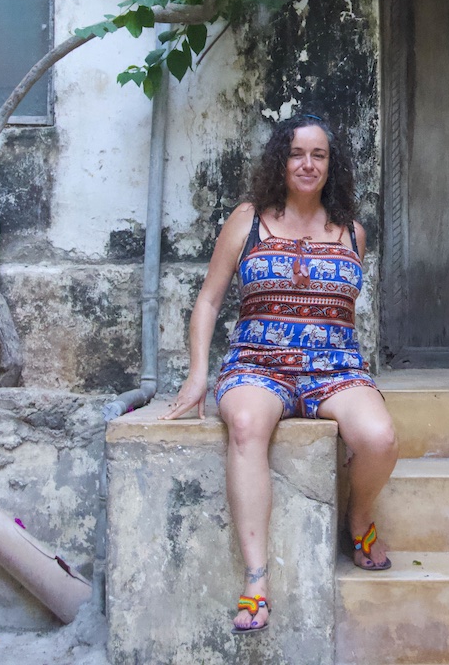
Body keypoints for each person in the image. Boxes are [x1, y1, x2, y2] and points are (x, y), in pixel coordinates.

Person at [159, 113, 399, 634]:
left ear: (332, 166)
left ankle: (357, 519)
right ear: (281, 160)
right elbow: (208, 301)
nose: (307, 164)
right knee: (245, 427)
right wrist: (198, 372)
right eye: (297, 153)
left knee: (379, 439)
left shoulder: (352, 232)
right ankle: (256, 579)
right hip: (257, 364)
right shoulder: (248, 221)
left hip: (336, 369)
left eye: (319, 155)